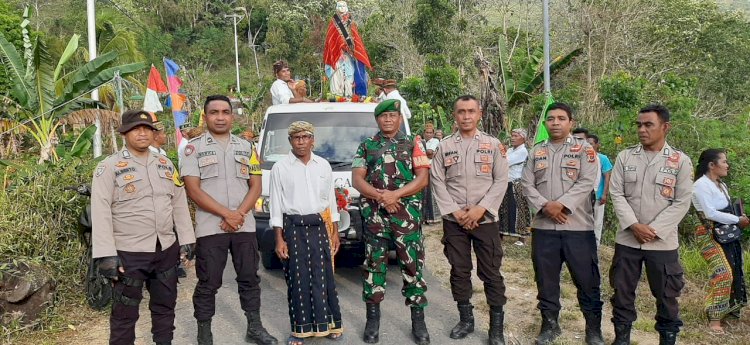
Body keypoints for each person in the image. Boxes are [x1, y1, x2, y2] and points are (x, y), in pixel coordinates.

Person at [91, 109, 196, 345]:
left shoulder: (166, 164)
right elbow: (100, 211)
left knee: (165, 308)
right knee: (124, 314)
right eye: (136, 129)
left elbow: (178, 203)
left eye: (147, 129)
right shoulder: (109, 167)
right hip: (129, 252)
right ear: (124, 134)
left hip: (165, 249)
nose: (142, 133)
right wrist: (106, 255)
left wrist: (188, 239)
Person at [180, 95, 277, 345]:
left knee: (249, 278)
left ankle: (254, 327)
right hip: (211, 227)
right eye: (214, 112)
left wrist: (238, 215)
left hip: (243, 225)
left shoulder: (247, 148)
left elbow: (255, 185)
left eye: (225, 112)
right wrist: (227, 214)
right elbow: (193, 189)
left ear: (232, 116)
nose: (220, 117)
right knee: (208, 281)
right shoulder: (193, 148)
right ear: (206, 116)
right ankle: (204, 333)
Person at [608, 104, 693, 345]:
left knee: (667, 296)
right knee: (622, 293)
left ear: (665, 127)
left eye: (648, 125)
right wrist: (634, 225)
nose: (642, 130)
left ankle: (667, 339)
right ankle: (621, 339)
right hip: (627, 240)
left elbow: (682, 201)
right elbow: (617, 194)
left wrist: (653, 230)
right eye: (639, 125)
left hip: (662, 243)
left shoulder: (680, 161)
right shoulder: (626, 157)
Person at [520, 103, 603, 345]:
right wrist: (547, 206)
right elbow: (527, 184)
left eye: (561, 118)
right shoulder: (536, 151)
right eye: (551, 118)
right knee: (546, 280)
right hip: (544, 229)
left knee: (587, 281)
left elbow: (587, 181)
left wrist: (563, 205)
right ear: (545, 123)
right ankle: (550, 326)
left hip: (578, 229)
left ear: (571, 123)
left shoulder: (584, 150)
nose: (555, 122)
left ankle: (593, 330)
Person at [431, 95, 509, 345]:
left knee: (491, 273)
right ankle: (466, 319)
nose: (466, 116)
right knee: (459, 270)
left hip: (485, 221)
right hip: (455, 222)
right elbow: (437, 181)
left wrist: (480, 209)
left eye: (471, 111)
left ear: (480, 114)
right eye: (461, 112)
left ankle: (496, 327)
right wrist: (455, 212)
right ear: (454, 115)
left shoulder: (493, 144)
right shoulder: (444, 146)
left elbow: (501, 180)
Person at [352, 99, 430, 345]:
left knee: (412, 266)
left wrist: (396, 195)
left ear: (399, 118)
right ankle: (372, 321)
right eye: (383, 116)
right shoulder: (366, 146)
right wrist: (381, 196)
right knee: (374, 265)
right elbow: (357, 179)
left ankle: (419, 322)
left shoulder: (413, 143)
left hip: (406, 215)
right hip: (376, 216)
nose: (388, 120)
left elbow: (423, 178)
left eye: (392, 116)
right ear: (377, 119)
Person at [270, 121, 343, 345]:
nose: (301, 141)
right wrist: (279, 238)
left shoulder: (323, 165)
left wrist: (335, 232)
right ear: (290, 141)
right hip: (294, 228)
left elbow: (330, 201)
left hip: (320, 226)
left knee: (324, 277)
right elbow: (276, 206)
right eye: (296, 138)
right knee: (298, 278)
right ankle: (299, 330)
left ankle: (331, 324)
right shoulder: (280, 168)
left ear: (313, 139)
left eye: (305, 137)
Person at [692, 149, 748, 333]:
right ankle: (714, 319)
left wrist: (740, 217)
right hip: (709, 234)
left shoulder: (720, 184)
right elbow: (710, 213)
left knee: (735, 268)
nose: (727, 165)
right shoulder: (700, 185)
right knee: (723, 273)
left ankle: (731, 314)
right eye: (723, 161)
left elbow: (726, 209)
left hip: (726, 233)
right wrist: (737, 220)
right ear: (711, 165)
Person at [323, 1, 372, 98]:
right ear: (336, 8)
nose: (342, 8)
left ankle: (350, 96)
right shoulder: (333, 22)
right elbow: (330, 40)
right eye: (339, 6)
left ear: (347, 8)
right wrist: (339, 47)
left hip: (349, 55)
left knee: (350, 75)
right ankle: (337, 96)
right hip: (337, 56)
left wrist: (352, 50)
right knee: (337, 77)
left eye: (343, 6)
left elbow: (356, 40)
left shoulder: (351, 22)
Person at [499, 128, 530, 245]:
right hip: (506, 182)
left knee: (518, 209)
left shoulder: (523, 151)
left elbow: (505, 162)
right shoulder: (511, 150)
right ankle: (501, 233)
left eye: (516, 136)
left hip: (516, 183)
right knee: (503, 209)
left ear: (523, 138)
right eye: (512, 135)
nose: (513, 138)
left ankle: (522, 237)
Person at [587, 134, 612, 246]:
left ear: (597, 145)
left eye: (591, 143)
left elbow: (607, 176)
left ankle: (595, 247)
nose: (589, 146)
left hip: (598, 196)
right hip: (584, 197)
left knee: (597, 223)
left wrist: (604, 194)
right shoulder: (583, 157)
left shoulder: (602, 159)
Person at [421, 124, 440, 224]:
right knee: (423, 193)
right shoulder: (422, 141)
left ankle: (432, 218)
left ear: (433, 133)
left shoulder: (435, 141)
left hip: (431, 169)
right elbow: (429, 154)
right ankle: (424, 218)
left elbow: (430, 152)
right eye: (427, 132)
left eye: (430, 132)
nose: (428, 134)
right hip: (422, 170)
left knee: (431, 193)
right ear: (424, 133)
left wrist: (421, 152)